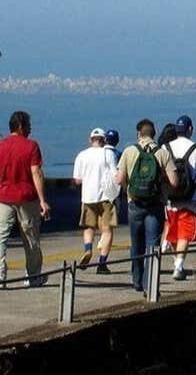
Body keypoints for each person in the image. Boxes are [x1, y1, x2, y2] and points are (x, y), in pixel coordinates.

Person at [116, 119, 177, 293]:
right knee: (152, 244)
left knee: (136, 244)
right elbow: (174, 181)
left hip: (134, 203)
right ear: (154, 134)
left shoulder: (129, 151)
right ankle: (149, 283)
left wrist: (130, 188)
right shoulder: (162, 153)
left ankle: (136, 280)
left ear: (138, 134)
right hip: (155, 204)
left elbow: (119, 179)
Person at [0, 111, 51, 287]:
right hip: (27, 198)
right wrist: (42, 200)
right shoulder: (31, 146)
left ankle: (0, 278)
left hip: (4, 197)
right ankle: (33, 276)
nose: (30, 128)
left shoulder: (2, 146)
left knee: (0, 238)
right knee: (31, 238)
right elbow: (35, 172)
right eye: (28, 125)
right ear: (21, 126)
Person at [164, 115, 196, 281]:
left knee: (173, 233)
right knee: (184, 233)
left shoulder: (165, 148)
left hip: (170, 197)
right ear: (190, 129)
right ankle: (178, 265)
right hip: (189, 197)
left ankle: (177, 262)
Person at [72, 128, 118, 274]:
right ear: (104, 140)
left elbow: (77, 180)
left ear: (90, 139)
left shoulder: (82, 155)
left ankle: (88, 249)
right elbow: (115, 175)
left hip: (87, 196)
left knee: (89, 227)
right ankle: (102, 263)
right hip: (106, 197)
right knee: (107, 230)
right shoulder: (108, 153)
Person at [157, 122, 178, 251]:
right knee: (171, 218)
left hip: (161, 188)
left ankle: (165, 241)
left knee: (165, 217)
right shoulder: (173, 149)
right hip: (172, 187)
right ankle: (167, 241)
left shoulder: (161, 148)